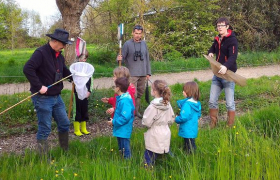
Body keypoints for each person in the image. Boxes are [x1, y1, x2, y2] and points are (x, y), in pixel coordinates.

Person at [23, 28, 73, 154]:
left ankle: (64, 151)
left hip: (57, 97)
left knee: (64, 123)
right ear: (55, 41)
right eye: (63, 44)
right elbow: (28, 69)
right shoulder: (40, 53)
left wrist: (75, 77)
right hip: (42, 97)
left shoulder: (59, 56)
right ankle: (43, 159)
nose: (64, 47)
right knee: (45, 128)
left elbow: (64, 71)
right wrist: (39, 86)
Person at [208, 17, 238, 128]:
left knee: (230, 103)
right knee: (212, 101)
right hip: (217, 75)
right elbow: (212, 48)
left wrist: (226, 66)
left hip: (228, 75)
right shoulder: (217, 39)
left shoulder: (232, 40)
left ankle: (230, 126)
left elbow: (233, 57)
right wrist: (211, 52)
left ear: (227, 27)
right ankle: (213, 123)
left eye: (222, 25)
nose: (219, 27)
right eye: (218, 25)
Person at [117, 25, 151, 118]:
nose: (137, 35)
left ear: (142, 34)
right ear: (133, 33)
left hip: (143, 73)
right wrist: (119, 58)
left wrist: (148, 72)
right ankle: (130, 113)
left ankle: (136, 112)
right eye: (136, 33)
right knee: (133, 94)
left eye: (139, 34)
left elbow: (147, 58)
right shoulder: (127, 44)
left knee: (140, 93)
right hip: (132, 74)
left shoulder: (144, 44)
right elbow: (121, 58)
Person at [142, 80, 175, 166]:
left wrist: (146, 124)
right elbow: (171, 118)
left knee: (150, 153)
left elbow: (146, 121)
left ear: (155, 91)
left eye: (151, 88)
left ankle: (147, 170)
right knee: (164, 147)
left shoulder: (153, 106)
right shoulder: (167, 104)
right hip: (166, 131)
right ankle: (172, 162)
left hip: (154, 133)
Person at [107, 77, 135, 159]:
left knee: (125, 147)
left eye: (114, 86)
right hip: (120, 128)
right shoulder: (121, 99)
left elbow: (125, 117)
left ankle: (127, 162)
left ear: (118, 88)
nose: (114, 88)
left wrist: (114, 122)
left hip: (124, 129)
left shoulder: (124, 101)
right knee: (121, 146)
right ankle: (122, 159)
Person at [175, 81, 201, 154]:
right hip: (193, 126)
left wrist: (176, 119)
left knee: (188, 142)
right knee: (191, 140)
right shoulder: (197, 103)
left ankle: (190, 155)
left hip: (187, 127)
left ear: (189, 92)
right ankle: (189, 151)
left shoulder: (187, 104)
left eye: (184, 90)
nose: (183, 92)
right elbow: (199, 114)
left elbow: (184, 117)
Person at [73, 49, 92, 136]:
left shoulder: (88, 68)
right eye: (81, 58)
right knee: (77, 110)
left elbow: (91, 81)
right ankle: (77, 129)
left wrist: (89, 91)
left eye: (84, 58)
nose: (83, 60)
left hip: (85, 93)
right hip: (76, 92)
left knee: (84, 110)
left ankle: (84, 128)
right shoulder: (75, 68)